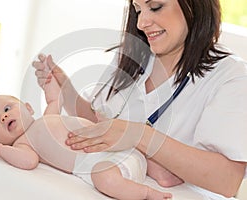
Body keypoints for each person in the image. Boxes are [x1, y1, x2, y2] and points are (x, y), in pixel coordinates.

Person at [32, 0, 247, 199]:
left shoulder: (231, 75)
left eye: (155, 7)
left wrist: (140, 136)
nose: (142, 22)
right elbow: (102, 126)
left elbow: (227, 180)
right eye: (138, 10)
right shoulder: (135, 54)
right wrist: (65, 92)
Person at [0, 73, 173, 200]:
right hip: (103, 164)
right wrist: (0, 150)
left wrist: (49, 83)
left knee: (120, 128)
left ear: (28, 107)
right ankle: (146, 193)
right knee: (104, 179)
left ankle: (161, 169)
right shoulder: (24, 144)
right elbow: (28, 161)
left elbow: (55, 99)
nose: (3, 118)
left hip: (113, 145)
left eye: (7, 108)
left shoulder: (48, 117)